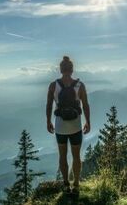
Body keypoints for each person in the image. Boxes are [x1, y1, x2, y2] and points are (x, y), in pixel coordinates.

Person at [46, 56, 91, 196]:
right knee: (76, 156)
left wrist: (48, 121)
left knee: (62, 156)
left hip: (60, 126)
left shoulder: (53, 85)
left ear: (60, 69)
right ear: (72, 70)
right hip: (75, 126)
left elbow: (49, 105)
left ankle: (66, 184)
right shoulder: (80, 85)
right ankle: (76, 184)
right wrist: (88, 121)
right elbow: (85, 105)